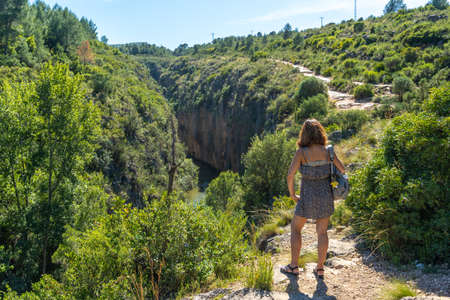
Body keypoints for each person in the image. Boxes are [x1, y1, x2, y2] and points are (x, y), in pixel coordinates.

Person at [281, 119, 345, 279]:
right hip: (326, 195)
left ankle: (294, 266)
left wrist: (292, 194)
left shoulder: (301, 152)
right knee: (322, 232)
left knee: (296, 229)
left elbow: (290, 175)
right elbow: (342, 169)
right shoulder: (327, 151)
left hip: (307, 196)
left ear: (304, 134)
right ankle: (320, 268)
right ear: (320, 132)